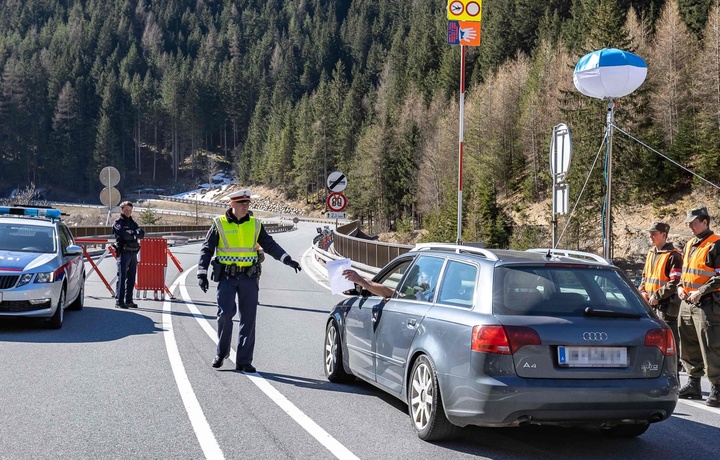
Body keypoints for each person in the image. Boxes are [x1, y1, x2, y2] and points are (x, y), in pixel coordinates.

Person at [197, 189, 302, 373]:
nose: (245, 207)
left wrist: (286, 258)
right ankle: (221, 353)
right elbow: (207, 249)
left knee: (248, 319)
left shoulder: (255, 224)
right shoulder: (219, 224)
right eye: (241, 204)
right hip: (227, 278)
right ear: (232, 204)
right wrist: (201, 273)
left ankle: (244, 361)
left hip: (249, 278)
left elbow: (270, 245)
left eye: (247, 204)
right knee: (225, 315)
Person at [677, 206, 720, 406]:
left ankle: (717, 388)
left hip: (708, 304)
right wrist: (679, 286)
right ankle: (693, 383)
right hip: (687, 302)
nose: (691, 226)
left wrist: (701, 291)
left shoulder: (716, 244)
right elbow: (685, 272)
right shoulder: (690, 244)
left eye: (694, 222)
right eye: (689, 223)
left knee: (710, 346)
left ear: (705, 222)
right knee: (688, 345)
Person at [638, 221, 683, 361]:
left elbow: (675, 281)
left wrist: (657, 296)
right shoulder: (651, 252)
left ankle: (673, 364)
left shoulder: (673, 255)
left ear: (664, 235)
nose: (650, 236)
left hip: (666, 305)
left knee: (669, 336)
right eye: (650, 233)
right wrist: (642, 291)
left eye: (654, 233)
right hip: (651, 303)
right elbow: (645, 275)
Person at [113, 201, 145, 309]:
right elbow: (124, 235)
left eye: (130, 210)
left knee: (131, 277)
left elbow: (142, 234)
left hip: (133, 252)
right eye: (126, 210)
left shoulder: (132, 222)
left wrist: (133, 232)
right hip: (123, 252)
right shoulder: (118, 222)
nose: (128, 212)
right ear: (121, 210)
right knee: (122, 277)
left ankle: (129, 300)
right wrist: (134, 233)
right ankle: (119, 301)